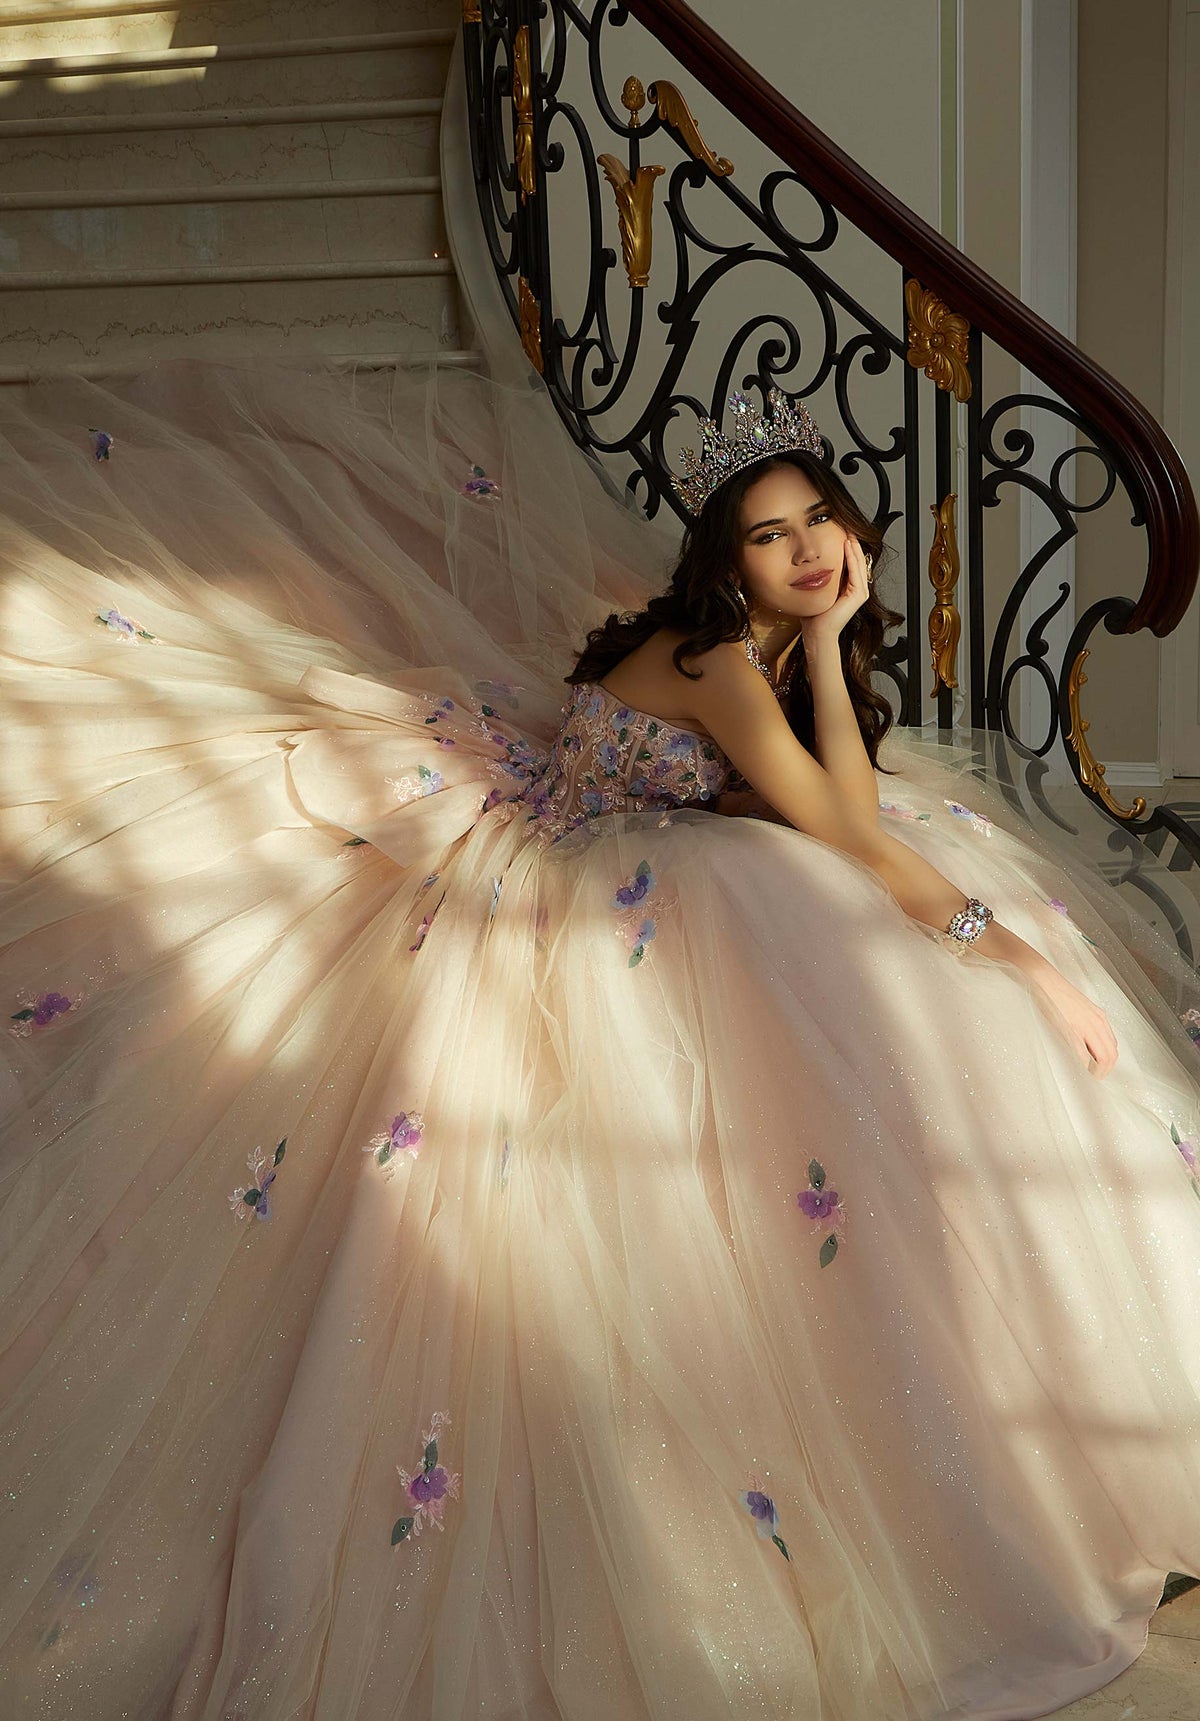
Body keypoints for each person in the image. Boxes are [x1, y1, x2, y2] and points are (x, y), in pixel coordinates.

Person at [2, 357, 1200, 1721]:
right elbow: (852, 834)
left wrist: (822, 647)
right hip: (570, 876)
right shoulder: (710, 661)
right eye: (771, 535)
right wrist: (1027, 959)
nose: (810, 552)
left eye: (822, 523)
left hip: (653, 838)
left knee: (873, 917)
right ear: (726, 560)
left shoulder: (747, 645)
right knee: (874, 935)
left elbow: (848, 815)